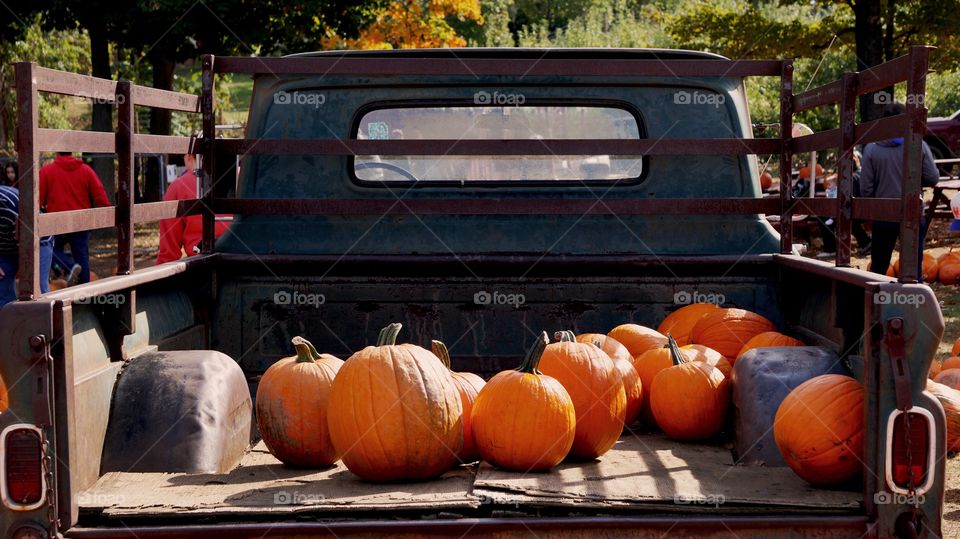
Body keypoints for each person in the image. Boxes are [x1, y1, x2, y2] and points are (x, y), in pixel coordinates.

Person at [860, 102, 940, 279]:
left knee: (879, 267)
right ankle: (913, 302)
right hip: (913, 212)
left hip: (883, 214)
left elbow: (866, 188)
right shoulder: (918, 144)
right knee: (913, 267)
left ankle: (876, 302)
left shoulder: (871, 149)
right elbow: (933, 178)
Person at [39, 152, 111, 284]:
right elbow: (99, 192)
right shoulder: (86, 170)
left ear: (57, 153)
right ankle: (84, 290)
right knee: (81, 255)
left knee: (50, 249)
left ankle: (68, 267)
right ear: (72, 152)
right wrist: (107, 211)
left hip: (56, 221)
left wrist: (39, 211)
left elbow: (38, 198)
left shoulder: (47, 171)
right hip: (80, 221)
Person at [156, 151, 230, 264]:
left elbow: (169, 250)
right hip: (246, 254)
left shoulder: (178, 186)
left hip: (202, 260)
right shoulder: (244, 178)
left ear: (189, 157)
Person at [0, 184, 53, 308]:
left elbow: (28, 241)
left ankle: (44, 324)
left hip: (37, 241)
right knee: (2, 287)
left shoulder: (9, 206)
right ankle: (10, 324)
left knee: (36, 287)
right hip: (5, 247)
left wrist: (25, 269)